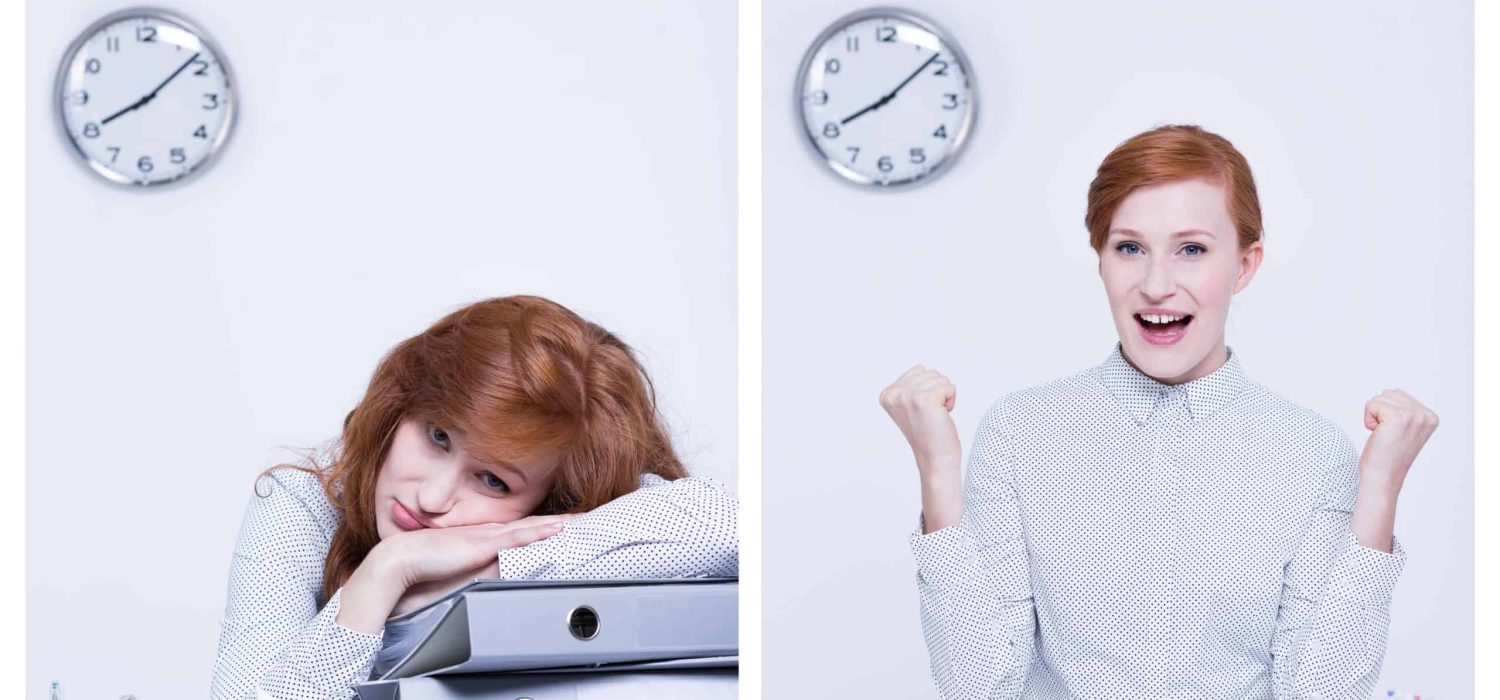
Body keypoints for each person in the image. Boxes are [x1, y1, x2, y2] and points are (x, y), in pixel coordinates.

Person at [879, 124, 1438, 699]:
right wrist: (938, 472)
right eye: (1129, 248)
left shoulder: (1311, 452)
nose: (1155, 284)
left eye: (1191, 249)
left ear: (1244, 266)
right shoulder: (1022, 434)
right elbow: (979, 688)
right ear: (1100, 261)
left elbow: (1321, 694)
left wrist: (1380, 491)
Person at [210, 295, 738, 699]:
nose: (433, 497)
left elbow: (726, 521)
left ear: (554, 500)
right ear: (401, 408)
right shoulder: (304, 501)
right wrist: (381, 580)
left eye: (493, 481)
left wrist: (486, 573)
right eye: (437, 436)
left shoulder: (582, 502)